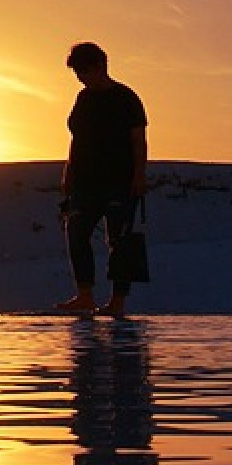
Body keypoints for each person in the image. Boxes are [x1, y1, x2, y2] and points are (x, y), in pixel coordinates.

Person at [56, 42, 150, 317]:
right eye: (78, 73)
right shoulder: (83, 99)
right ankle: (84, 294)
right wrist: (68, 172)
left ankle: (117, 301)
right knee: (76, 233)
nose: (81, 78)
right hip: (85, 180)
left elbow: (138, 140)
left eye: (84, 71)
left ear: (100, 66)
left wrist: (139, 175)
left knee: (119, 241)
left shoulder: (126, 98)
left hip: (119, 179)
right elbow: (76, 138)